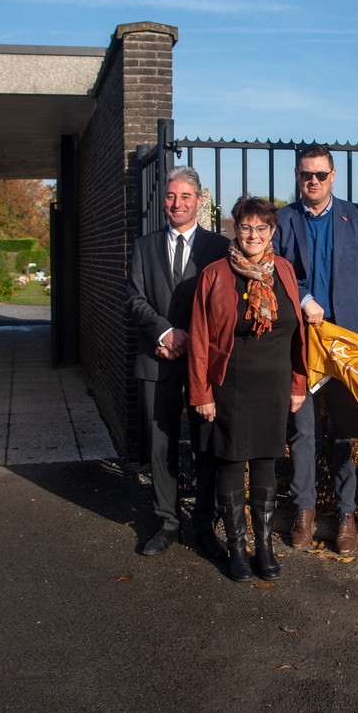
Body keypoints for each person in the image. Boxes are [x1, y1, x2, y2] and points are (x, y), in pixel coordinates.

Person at [272, 145, 358, 554]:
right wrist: (304, 300)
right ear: (298, 175)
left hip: (347, 344)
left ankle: (345, 514)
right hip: (302, 343)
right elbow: (276, 270)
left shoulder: (357, 217)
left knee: (345, 430)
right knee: (302, 430)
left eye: (320, 174)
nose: (313, 182)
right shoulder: (284, 219)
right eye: (306, 175)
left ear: (333, 175)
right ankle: (304, 510)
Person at [189, 196, 308, 581]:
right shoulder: (216, 274)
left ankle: (265, 547)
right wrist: (201, 393)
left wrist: (297, 383)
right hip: (230, 384)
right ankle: (237, 548)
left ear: (272, 232)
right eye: (245, 227)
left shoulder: (285, 271)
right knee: (231, 461)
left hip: (274, 384)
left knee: (266, 464)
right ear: (234, 230)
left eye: (261, 228)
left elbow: (297, 335)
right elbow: (199, 337)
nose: (253, 235)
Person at [125, 166, 230, 558]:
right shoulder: (144, 246)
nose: (177, 204)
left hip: (201, 363)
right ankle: (167, 520)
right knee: (160, 443)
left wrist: (190, 339)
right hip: (157, 358)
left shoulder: (218, 247)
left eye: (186, 197)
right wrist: (167, 333)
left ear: (199, 201)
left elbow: (222, 304)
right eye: (171, 196)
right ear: (163, 200)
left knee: (205, 443)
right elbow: (134, 297)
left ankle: (204, 525)